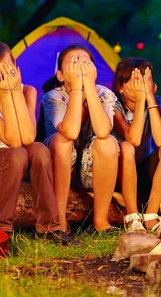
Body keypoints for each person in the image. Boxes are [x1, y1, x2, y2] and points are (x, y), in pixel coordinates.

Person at [0, 41, 77, 245]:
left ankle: (50, 227)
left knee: (39, 149)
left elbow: (28, 138)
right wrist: (7, 95)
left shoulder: (28, 92)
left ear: (16, 68)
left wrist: (15, 93)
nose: (3, 78)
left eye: (7, 71)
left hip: (12, 161)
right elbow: (14, 142)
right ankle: (0, 229)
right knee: (17, 153)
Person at [43, 45, 119, 234]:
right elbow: (70, 132)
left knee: (108, 142)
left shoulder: (104, 94)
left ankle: (101, 221)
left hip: (90, 170)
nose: (79, 67)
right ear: (61, 75)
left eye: (85, 62)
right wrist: (77, 88)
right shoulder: (54, 97)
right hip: (58, 166)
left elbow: (102, 131)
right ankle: (59, 221)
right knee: (62, 141)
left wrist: (90, 88)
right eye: (73, 62)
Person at [112, 58, 161, 234]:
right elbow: (133, 140)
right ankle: (132, 216)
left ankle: (151, 216)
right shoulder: (115, 105)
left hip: (144, 167)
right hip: (120, 169)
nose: (141, 84)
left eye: (145, 79)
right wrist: (141, 101)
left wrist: (149, 98)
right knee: (127, 147)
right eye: (134, 80)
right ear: (120, 87)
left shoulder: (154, 101)